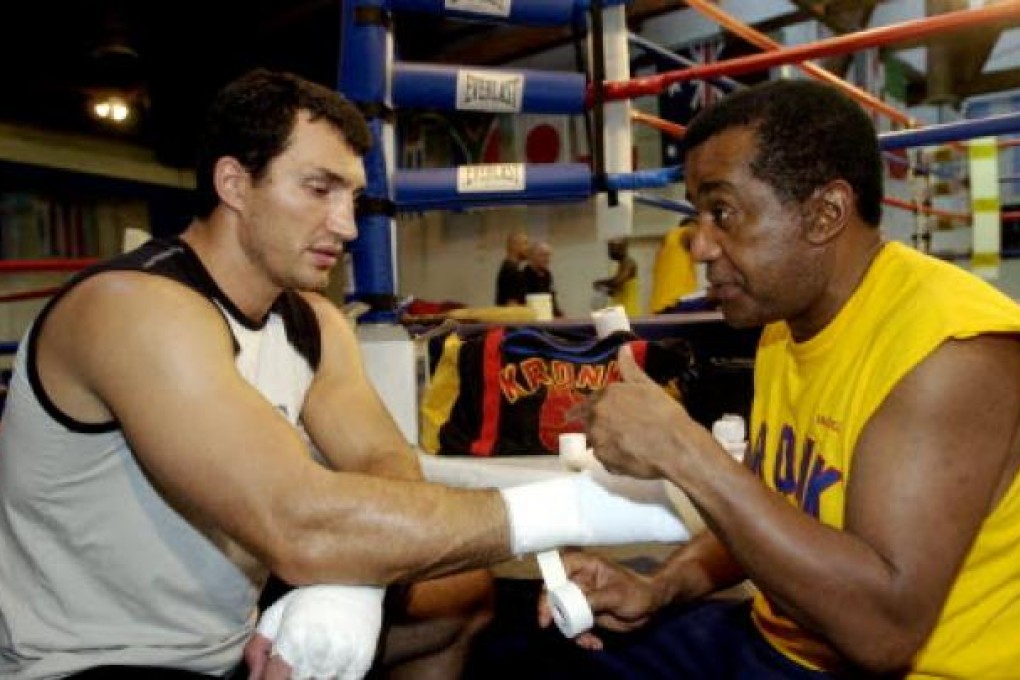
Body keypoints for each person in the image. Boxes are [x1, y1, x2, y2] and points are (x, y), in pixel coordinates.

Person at [0, 68, 690, 679]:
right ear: (235, 183)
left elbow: (381, 460)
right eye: (319, 188)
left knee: (462, 595)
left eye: (353, 196)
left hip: (235, 638)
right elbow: (297, 525)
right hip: (96, 661)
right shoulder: (133, 310)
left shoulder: (311, 320)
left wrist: (351, 590)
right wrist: (580, 508)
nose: (348, 224)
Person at [546, 79, 1020, 678]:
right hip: (779, 642)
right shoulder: (784, 322)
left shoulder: (953, 353)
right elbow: (773, 515)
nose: (699, 245)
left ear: (825, 214)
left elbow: (883, 633)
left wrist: (685, 451)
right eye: (698, 214)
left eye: (723, 212)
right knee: (530, 646)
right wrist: (659, 586)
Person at [648, 215, 698, 313]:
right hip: (674, 303)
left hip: (660, 306)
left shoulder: (668, 246)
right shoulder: (683, 232)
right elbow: (693, 232)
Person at [592, 238, 640, 317]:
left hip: (628, 314)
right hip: (620, 313)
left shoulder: (628, 263)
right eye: (609, 247)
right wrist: (603, 290)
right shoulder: (622, 265)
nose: (610, 251)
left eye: (611, 247)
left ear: (622, 247)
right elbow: (615, 293)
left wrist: (601, 282)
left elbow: (617, 282)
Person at [522, 241, 563, 317]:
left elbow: (552, 299)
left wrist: (559, 316)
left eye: (548, 255)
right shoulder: (522, 276)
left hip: (547, 318)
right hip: (531, 319)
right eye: (543, 255)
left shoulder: (548, 275)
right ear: (532, 256)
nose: (547, 259)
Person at [494, 230, 529, 306]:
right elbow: (511, 304)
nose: (528, 248)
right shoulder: (511, 272)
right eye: (525, 243)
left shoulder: (512, 269)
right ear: (514, 246)